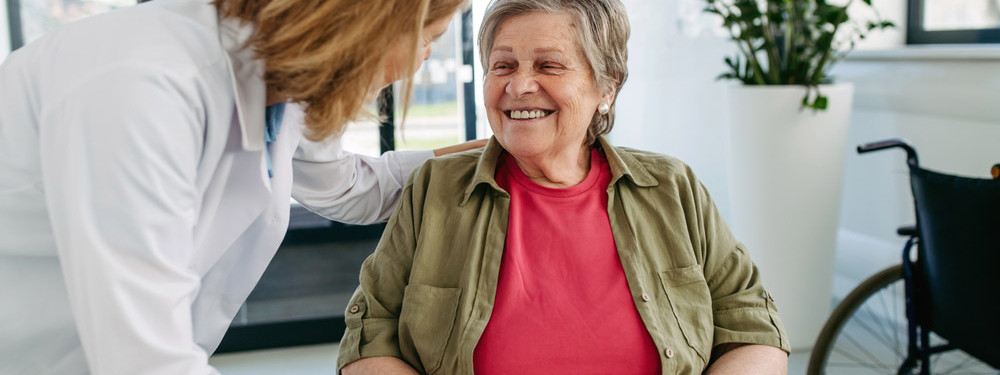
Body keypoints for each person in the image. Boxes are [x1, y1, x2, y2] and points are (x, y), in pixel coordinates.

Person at [0, 0, 486, 373]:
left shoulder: (278, 81)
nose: (419, 63)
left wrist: (496, 153)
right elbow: (147, 360)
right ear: (367, 25)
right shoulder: (140, 85)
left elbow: (348, 187)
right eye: (430, 38)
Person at [337, 0, 791, 374]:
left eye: (549, 65)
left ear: (606, 87)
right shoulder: (434, 190)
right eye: (503, 65)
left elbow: (752, 327)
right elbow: (370, 336)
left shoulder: (672, 187)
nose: (518, 85)